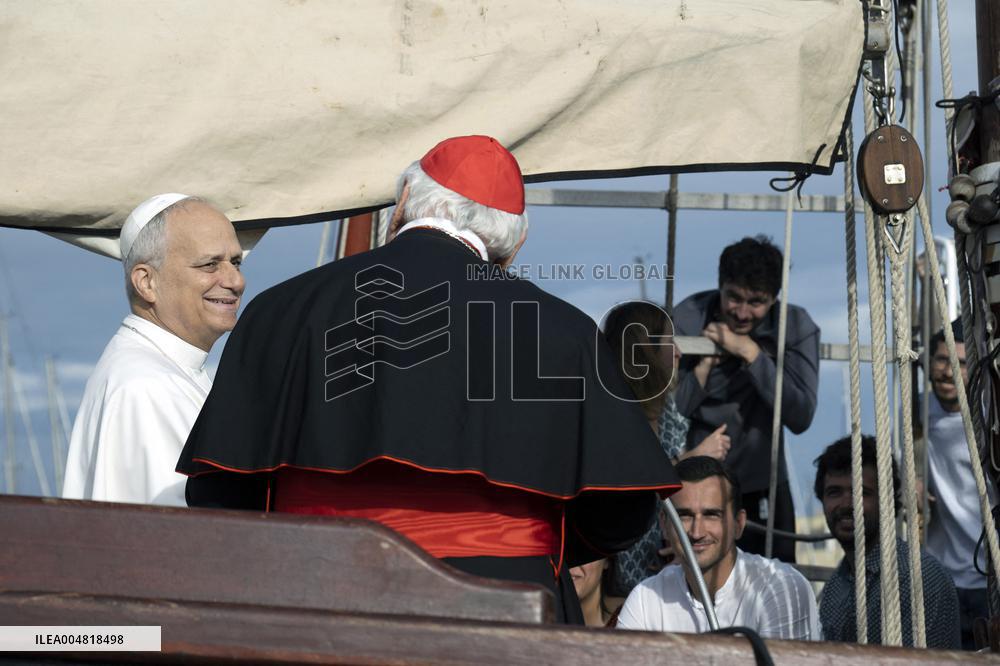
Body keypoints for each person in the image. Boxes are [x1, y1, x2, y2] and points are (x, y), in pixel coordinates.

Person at [176, 135, 680, 623]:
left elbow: (219, 491)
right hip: (504, 607)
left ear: (401, 210)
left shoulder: (280, 311)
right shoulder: (566, 334)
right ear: (514, 244)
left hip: (315, 598)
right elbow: (622, 512)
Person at [62, 194, 246, 505]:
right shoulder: (146, 387)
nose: (235, 280)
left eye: (236, 262)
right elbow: (171, 539)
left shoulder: (163, 371)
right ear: (146, 282)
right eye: (210, 264)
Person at [673, 236, 820, 562]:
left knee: (775, 591)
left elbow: (801, 414)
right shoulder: (687, 318)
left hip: (765, 485)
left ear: (774, 300)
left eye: (755, 302)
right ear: (719, 286)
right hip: (698, 483)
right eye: (733, 298)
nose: (741, 312)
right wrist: (705, 364)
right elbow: (671, 411)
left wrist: (750, 353)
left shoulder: (795, 326)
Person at [601, 300, 731, 594]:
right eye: (668, 342)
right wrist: (696, 457)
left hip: (661, 571)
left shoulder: (665, 407)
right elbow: (625, 478)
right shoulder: (610, 411)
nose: (678, 352)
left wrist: (678, 546)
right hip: (618, 575)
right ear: (645, 350)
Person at [618, 456, 821, 639]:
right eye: (684, 516)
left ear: (738, 524)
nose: (697, 532)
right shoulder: (646, 597)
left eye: (711, 514)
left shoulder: (781, 587)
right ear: (664, 524)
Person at [814, 435, 961, 649]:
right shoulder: (835, 588)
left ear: (888, 502)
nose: (847, 504)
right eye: (834, 492)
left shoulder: (918, 578)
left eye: (862, 492)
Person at [923, 320, 990, 650]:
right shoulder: (917, 412)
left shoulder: (988, 420)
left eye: (961, 363)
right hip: (939, 579)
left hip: (987, 581)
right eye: (942, 359)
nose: (949, 371)